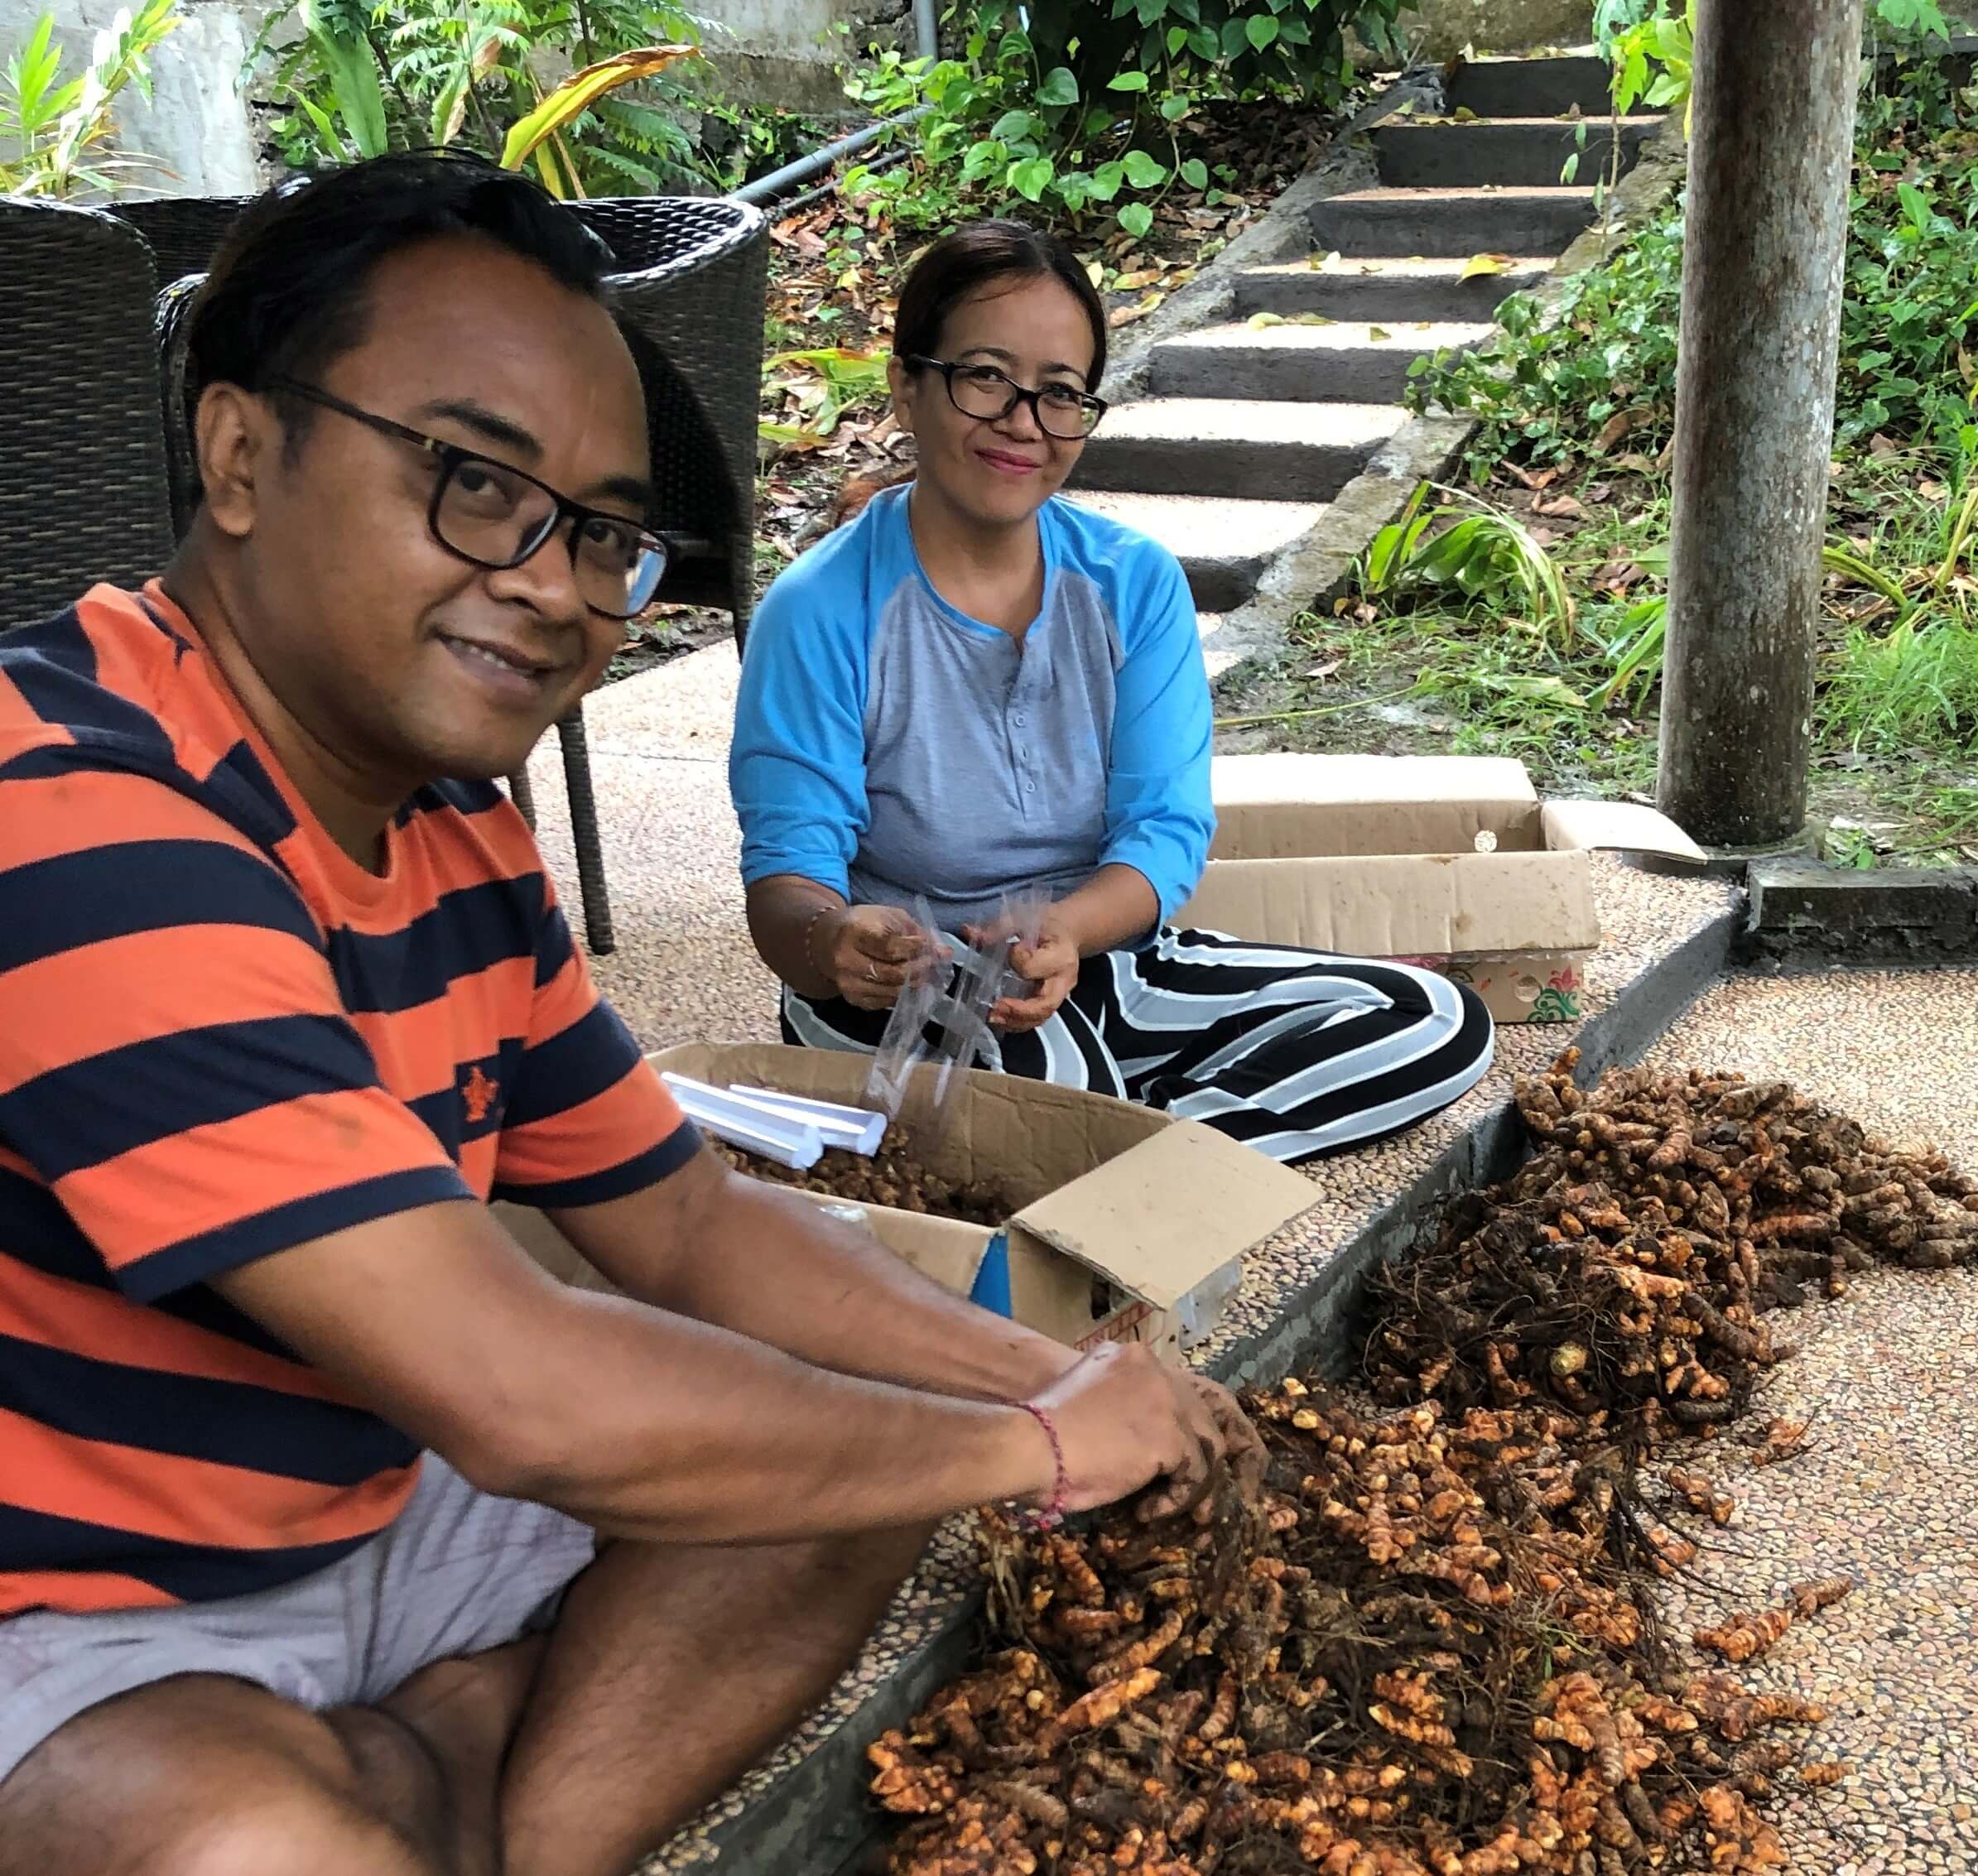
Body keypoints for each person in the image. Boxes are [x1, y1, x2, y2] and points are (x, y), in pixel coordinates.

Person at [0, 154, 1257, 1876]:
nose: (551, 581)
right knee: (267, 1842)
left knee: (856, 1464)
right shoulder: (78, 813)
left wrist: (1061, 1369)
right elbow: (515, 1384)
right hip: (77, 1596)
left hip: (382, 1504)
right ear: (239, 451)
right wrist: (1030, 1437)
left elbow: (677, 1213)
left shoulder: (451, 822)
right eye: (469, 481)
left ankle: (464, 1803)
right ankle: (405, 1773)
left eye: (600, 530)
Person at [730, 219, 1496, 1164]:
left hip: (1095, 958)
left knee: (1430, 1018)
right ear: (906, 383)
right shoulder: (819, 609)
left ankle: (1135, 1156)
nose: (1024, 422)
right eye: (984, 377)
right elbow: (786, 881)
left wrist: (1066, 929)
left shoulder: (1132, 583)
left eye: (1060, 394)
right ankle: (1118, 1150)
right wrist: (835, 939)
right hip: (905, 1000)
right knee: (1047, 1079)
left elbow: (1164, 831)